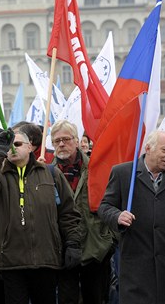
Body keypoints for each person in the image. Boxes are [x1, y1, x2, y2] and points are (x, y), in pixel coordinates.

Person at [0, 129, 81, 304]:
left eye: (17, 144)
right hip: (12, 262)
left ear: (30, 147)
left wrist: (73, 243)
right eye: (9, 146)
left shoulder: (50, 174)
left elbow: (68, 213)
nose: (12, 149)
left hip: (46, 260)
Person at [99, 130, 165, 304]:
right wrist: (117, 216)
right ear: (148, 148)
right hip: (136, 265)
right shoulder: (123, 173)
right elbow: (105, 207)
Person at [50, 120, 114, 304]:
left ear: (77, 141)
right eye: (57, 141)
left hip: (95, 248)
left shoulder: (96, 168)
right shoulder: (46, 173)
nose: (61, 144)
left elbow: (112, 202)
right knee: (66, 299)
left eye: (66, 139)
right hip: (62, 248)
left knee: (96, 297)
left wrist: (108, 240)